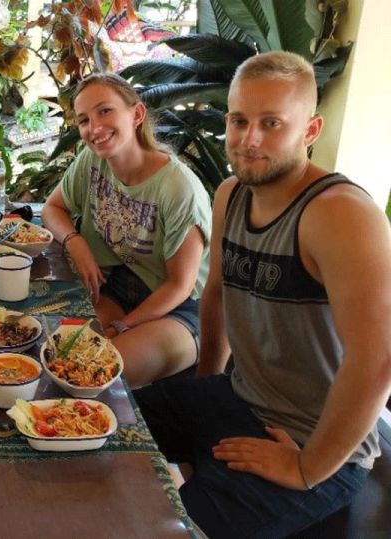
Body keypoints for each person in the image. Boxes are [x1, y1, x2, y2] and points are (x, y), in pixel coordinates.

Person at [134, 51, 391, 538]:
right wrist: (203, 390)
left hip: (315, 446)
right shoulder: (232, 193)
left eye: (272, 123)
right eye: (239, 120)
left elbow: (378, 358)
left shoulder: (339, 214)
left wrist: (307, 468)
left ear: (310, 131)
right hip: (238, 398)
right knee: (97, 425)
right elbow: (216, 297)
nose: (249, 140)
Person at [41, 72, 211, 388]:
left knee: (96, 374)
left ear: (137, 114)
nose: (95, 128)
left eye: (105, 111)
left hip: (181, 307)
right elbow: (53, 208)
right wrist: (76, 242)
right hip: (120, 288)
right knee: (54, 352)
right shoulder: (91, 162)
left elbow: (179, 286)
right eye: (84, 120)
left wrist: (123, 325)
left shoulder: (178, 188)